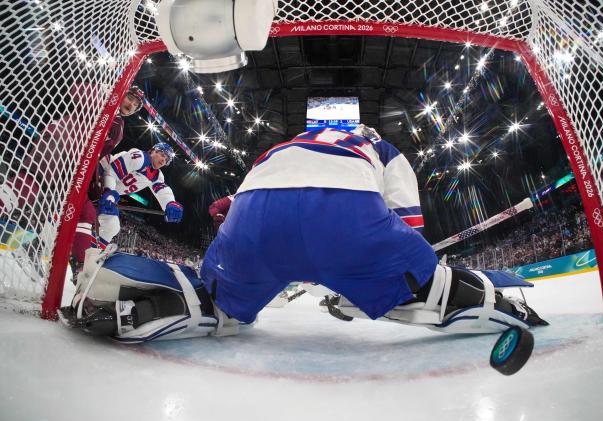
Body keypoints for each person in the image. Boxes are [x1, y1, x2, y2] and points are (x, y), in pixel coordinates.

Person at [60, 125, 546, 342]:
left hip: (255, 215)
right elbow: (407, 214)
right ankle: (480, 301)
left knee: (221, 303)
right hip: (346, 216)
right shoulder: (376, 144)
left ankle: (150, 294)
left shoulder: (280, 147)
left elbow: (242, 203)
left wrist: (236, 230)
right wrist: (410, 263)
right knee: (423, 282)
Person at [71, 85, 146, 275]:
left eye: (136, 105)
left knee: (90, 215)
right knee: (31, 183)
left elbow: (100, 155)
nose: (132, 104)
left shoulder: (119, 127)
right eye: (130, 98)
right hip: (64, 151)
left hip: (80, 168)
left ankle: (80, 264)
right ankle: (79, 263)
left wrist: (105, 190)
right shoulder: (104, 102)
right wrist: (103, 89)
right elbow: (75, 90)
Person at [95, 142, 183, 248]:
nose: (164, 160)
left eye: (167, 159)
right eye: (163, 155)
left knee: (111, 227)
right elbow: (111, 171)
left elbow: (162, 190)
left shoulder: (157, 175)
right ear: (153, 151)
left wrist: (170, 203)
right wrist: (108, 192)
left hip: (106, 192)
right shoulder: (139, 157)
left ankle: (91, 253)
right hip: (97, 174)